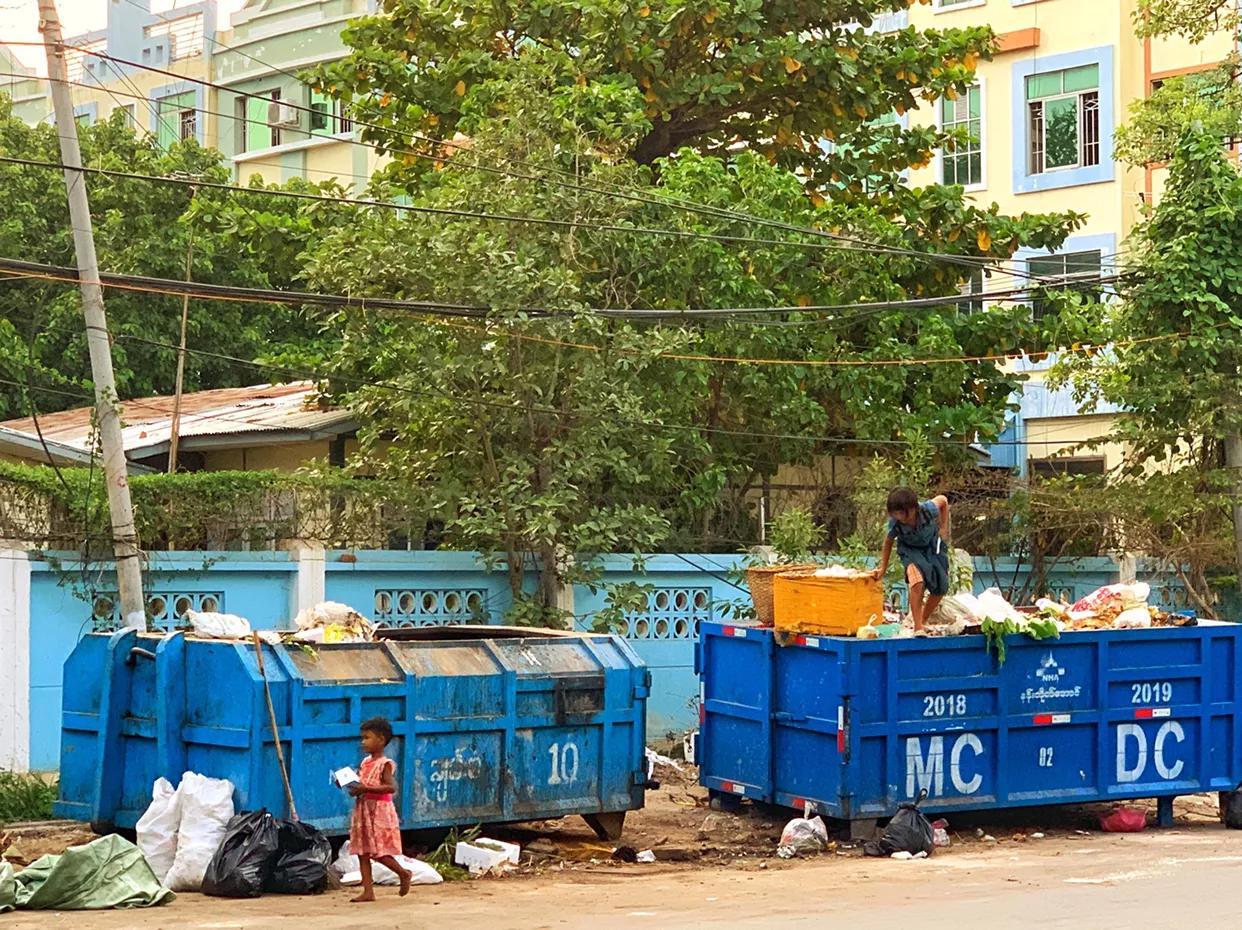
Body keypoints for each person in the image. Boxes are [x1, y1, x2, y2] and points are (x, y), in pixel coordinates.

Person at [348, 716, 411, 902]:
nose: (363, 742)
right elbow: (363, 783)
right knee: (362, 851)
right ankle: (368, 891)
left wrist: (365, 789)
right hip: (363, 809)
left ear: (381, 740)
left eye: (367, 738)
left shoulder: (385, 764)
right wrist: (354, 788)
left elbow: (390, 788)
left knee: (379, 852)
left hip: (379, 811)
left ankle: (403, 873)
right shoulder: (365, 762)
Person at [873, 488, 950, 634]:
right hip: (910, 551)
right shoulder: (895, 524)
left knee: (941, 586)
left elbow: (943, 501)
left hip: (932, 547)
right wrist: (883, 568)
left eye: (902, 512)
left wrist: (943, 527)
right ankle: (918, 626)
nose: (899, 516)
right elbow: (888, 542)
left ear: (913, 508)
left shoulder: (927, 509)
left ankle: (923, 619)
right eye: (895, 513)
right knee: (917, 582)